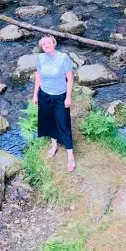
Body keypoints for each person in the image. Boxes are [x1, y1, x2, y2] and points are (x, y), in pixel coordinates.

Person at [32, 35, 76, 172]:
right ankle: (54, 145)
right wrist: (35, 94)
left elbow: (70, 78)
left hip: (60, 95)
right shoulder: (40, 58)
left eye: (48, 43)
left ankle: (70, 155)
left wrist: (68, 97)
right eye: (44, 44)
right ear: (42, 46)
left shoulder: (63, 58)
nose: (46, 45)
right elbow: (38, 77)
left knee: (63, 123)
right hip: (44, 94)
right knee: (49, 120)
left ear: (54, 43)